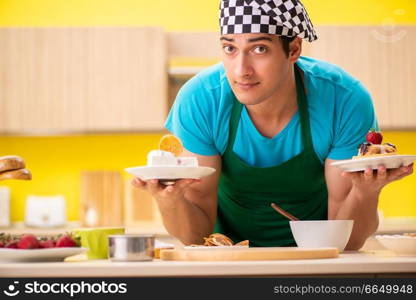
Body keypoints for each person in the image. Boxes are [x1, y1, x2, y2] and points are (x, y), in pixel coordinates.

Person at [133, 0, 413, 249]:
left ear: (293, 49)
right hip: (228, 260)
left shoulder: (344, 99)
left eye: (259, 48)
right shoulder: (201, 100)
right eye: (230, 48)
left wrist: (365, 192)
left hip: (318, 259)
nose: (241, 69)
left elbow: (348, 241)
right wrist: (169, 200)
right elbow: (196, 237)